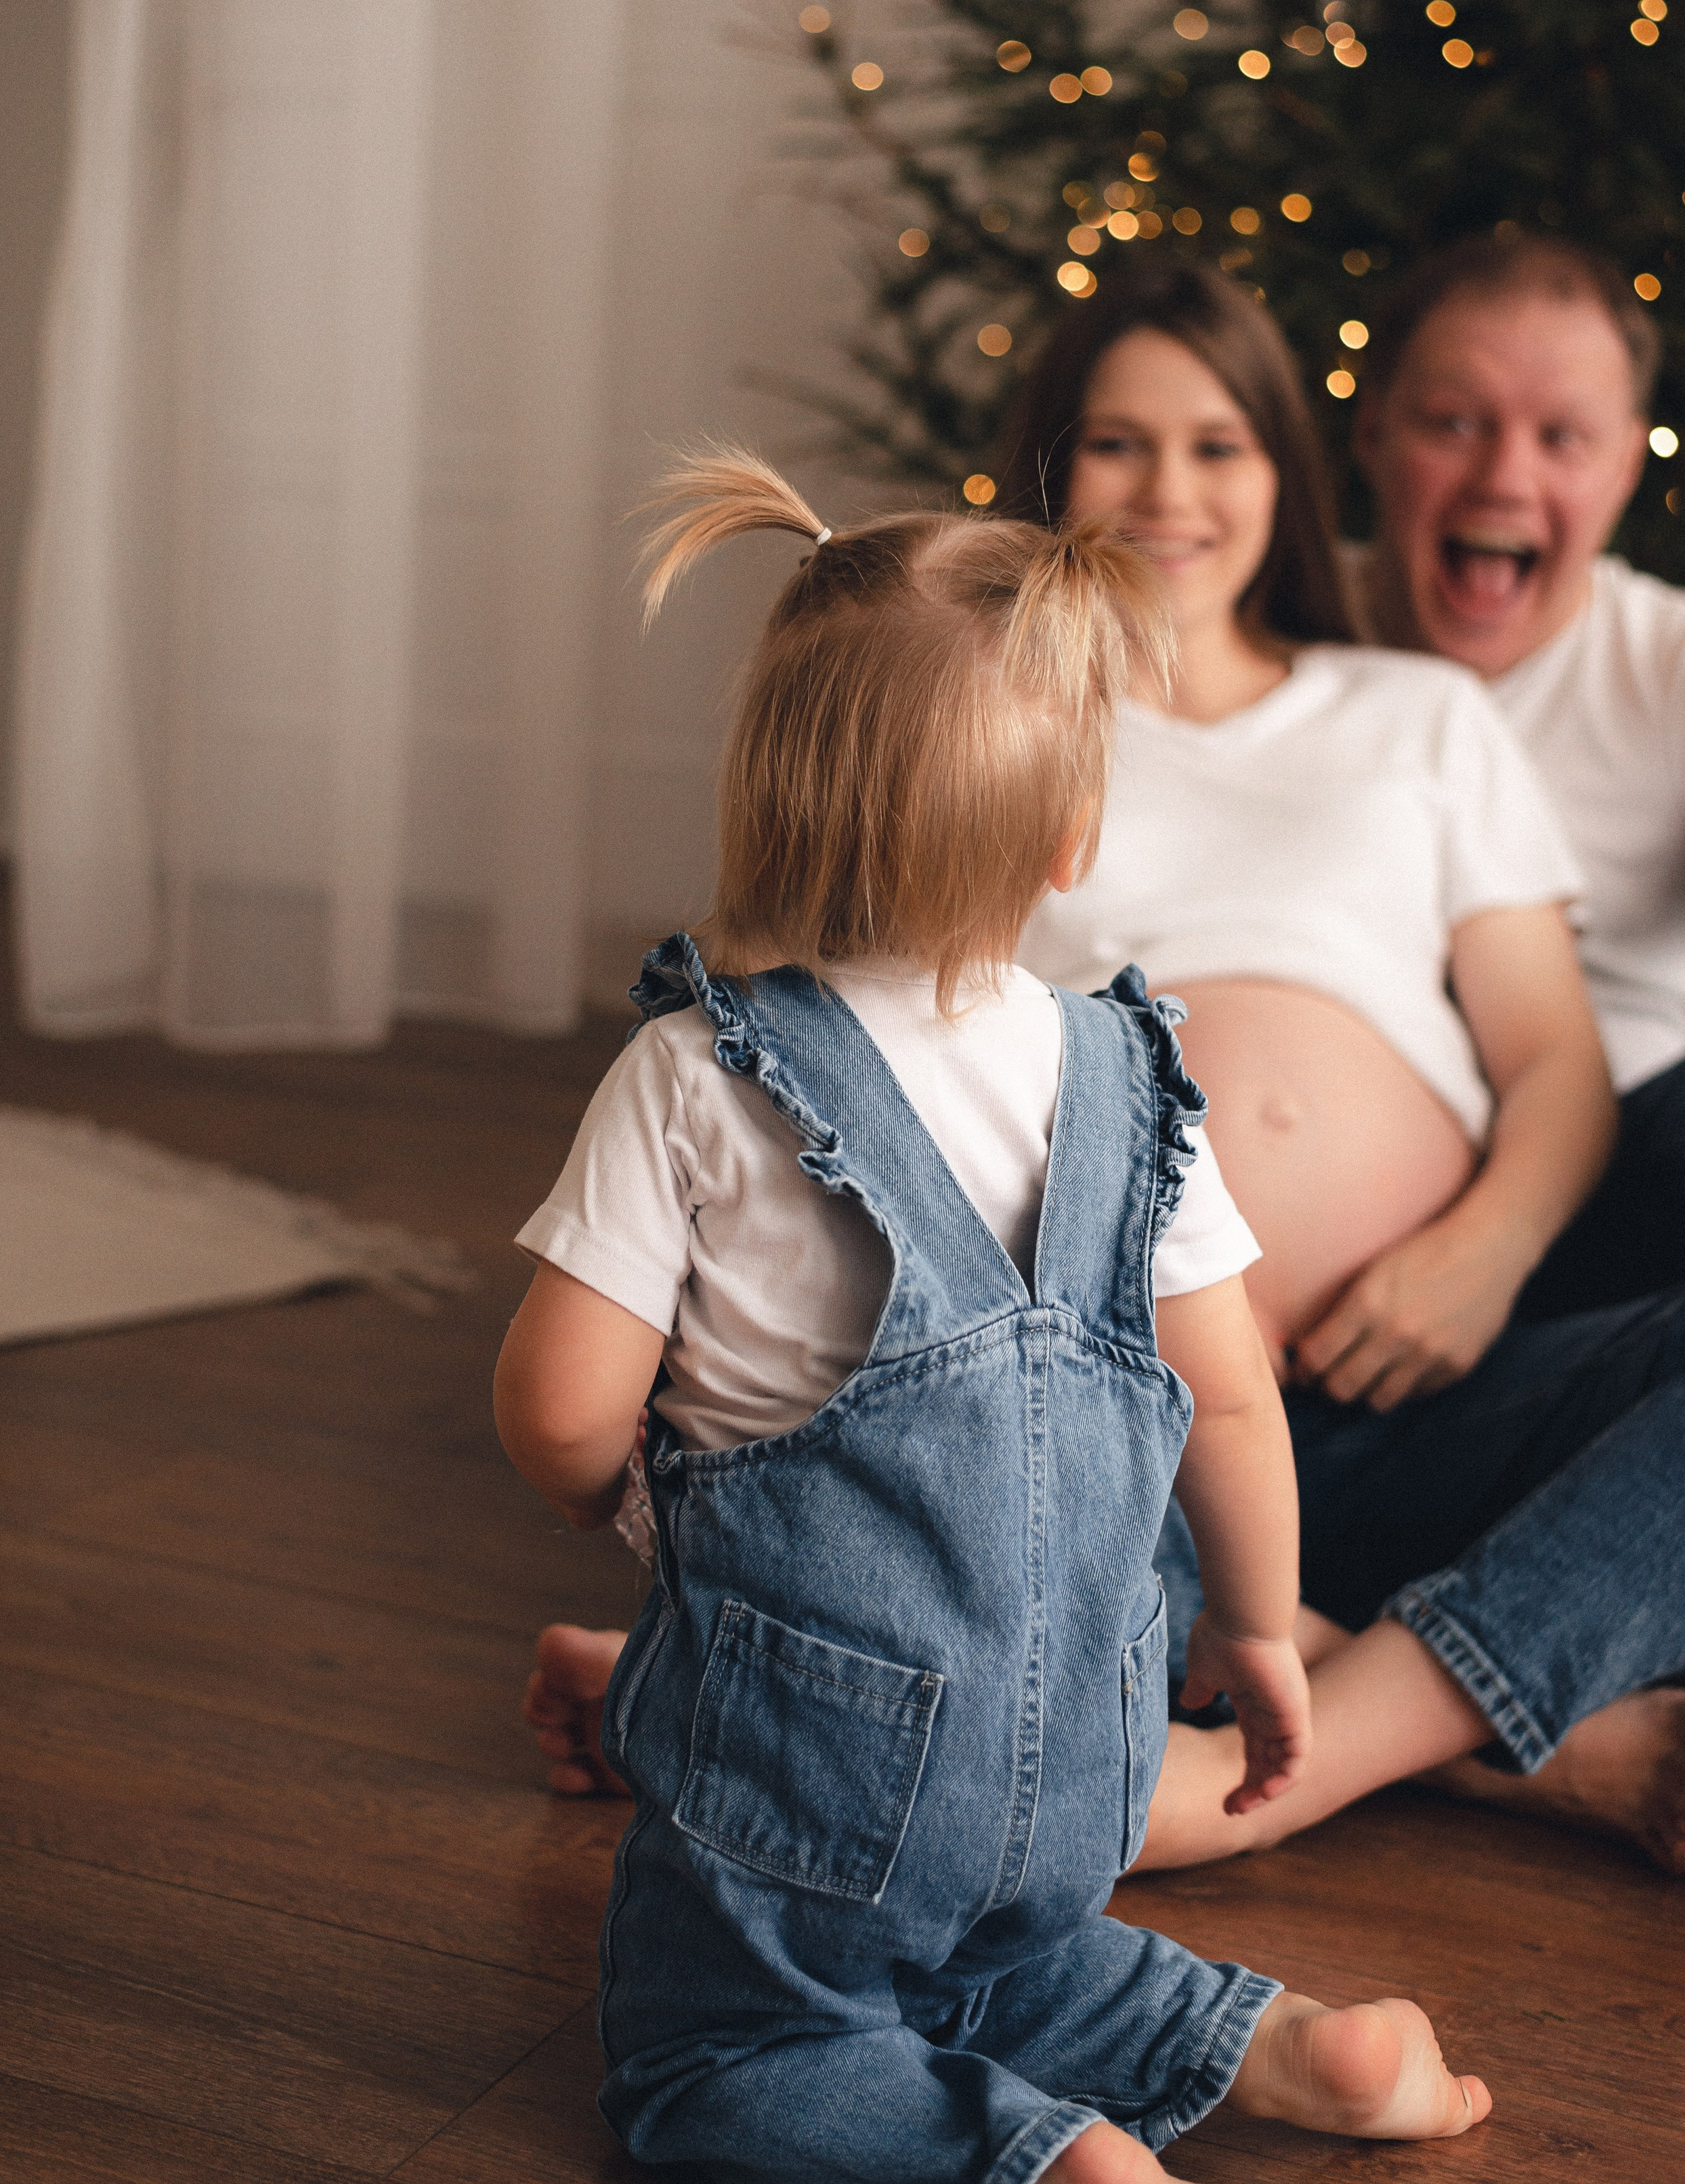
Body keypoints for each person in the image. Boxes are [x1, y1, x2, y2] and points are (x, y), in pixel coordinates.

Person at [494, 448, 1488, 2179]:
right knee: (998, 1957)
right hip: (1087, 1756)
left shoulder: (696, 1075)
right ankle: (1291, 2049)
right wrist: (1257, 1634)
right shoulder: (1128, 1076)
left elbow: (559, 1407)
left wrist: (609, 1496)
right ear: (1068, 837)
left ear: (765, 796)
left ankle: (1037, 2161)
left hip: (809, 1768)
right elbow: (1227, 1400)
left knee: (715, 2048)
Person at [1000, 261, 1685, 1872]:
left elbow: (1550, 1060)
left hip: (1411, 1390)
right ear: (1047, 466)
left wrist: (1479, 1254)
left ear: (1284, 471)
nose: (1168, 492)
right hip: (1131, 1405)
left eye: (1217, 445)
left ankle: (1289, 1734)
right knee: (973, 1503)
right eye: (1115, 443)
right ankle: (1506, 1744)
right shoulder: (994, 725)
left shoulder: (1416, 715)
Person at [1350, 232, 1685, 1319]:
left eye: (1564, 439)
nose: (1505, 478)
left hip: (1637, 1170)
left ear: (1627, 466)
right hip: (1350, 1189)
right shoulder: (1274, 638)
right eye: (1454, 423)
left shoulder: (1665, 664)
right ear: (1372, 429)